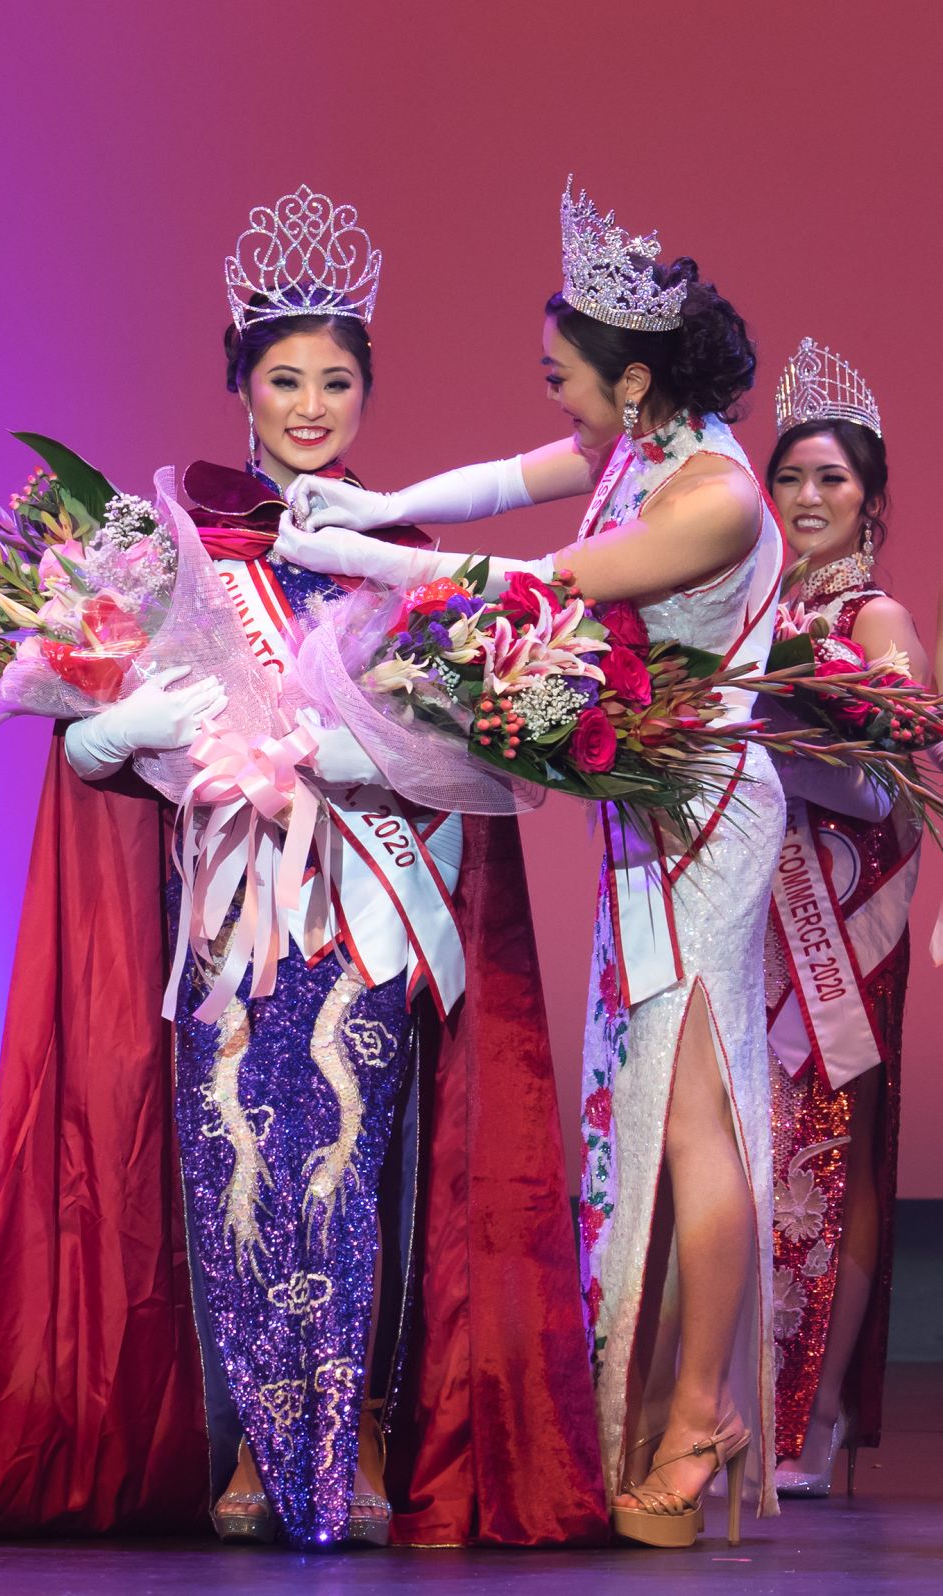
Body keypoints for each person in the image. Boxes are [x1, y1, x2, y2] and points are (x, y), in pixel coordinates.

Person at [0, 186, 606, 1550]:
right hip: (221, 913)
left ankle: (363, 1440)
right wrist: (108, 729)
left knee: (355, 1171)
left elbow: (478, 765)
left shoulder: (404, 568)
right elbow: (83, 737)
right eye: (285, 380)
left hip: (366, 915)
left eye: (335, 381)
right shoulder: (165, 561)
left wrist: (366, 747)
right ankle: (259, 1452)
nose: (310, 404)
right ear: (241, 391)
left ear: (364, 397)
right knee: (235, 1173)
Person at [278, 177, 786, 1547]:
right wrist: (379, 504)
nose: (551, 399)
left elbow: (551, 585)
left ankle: (700, 1414)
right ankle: (659, 1396)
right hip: (656, 807)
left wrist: (369, 564)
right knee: (651, 1107)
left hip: (707, 816)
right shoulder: (640, 445)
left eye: (562, 376)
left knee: (694, 1111)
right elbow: (509, 485)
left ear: (629, 380)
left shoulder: (717, 495)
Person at [763, 338, 926, 1496]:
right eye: (793, 477)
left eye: (834, 478)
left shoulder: (877, 616)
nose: (810, 498)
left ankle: (819, 1410)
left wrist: (793, 731)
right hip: (751, 907)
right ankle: (744, 1396)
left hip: (842, 913)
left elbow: (899, 751)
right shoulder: (740, 605)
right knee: (756, 1145)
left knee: (838, 1149)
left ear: (869, 498)